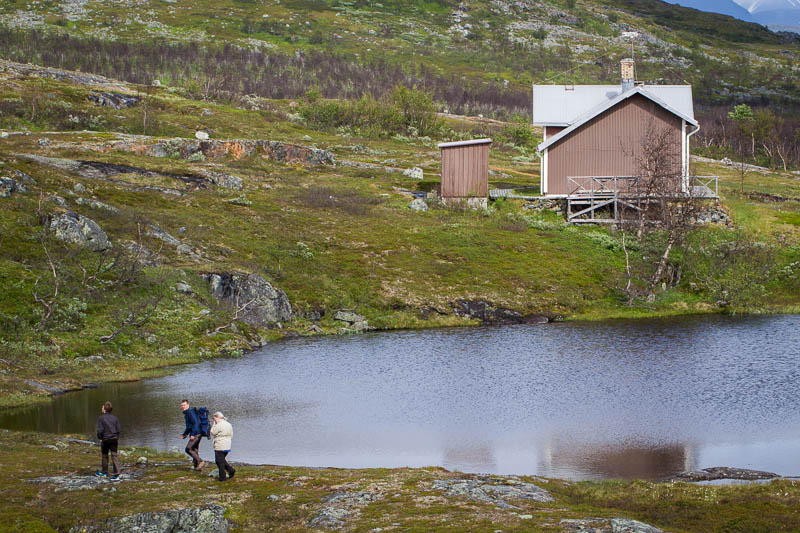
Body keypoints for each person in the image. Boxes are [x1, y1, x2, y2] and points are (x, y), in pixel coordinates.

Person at [95, 401, 121, 480]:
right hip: (114, 439)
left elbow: (100, 430)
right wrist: (116, 437)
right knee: (114, 456)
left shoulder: (101, 418)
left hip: (105, 439)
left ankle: (104, 472)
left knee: (105, 456)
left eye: (102, 407)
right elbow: (118, 429)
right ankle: (117, 474)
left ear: (104, 410)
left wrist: (100, 438)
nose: (101, 408)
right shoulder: (115, 418)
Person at [180, 399, 205, 470]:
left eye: (184, 405)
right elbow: (189, 426)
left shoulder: (190, 412)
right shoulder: (187, 413)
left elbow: (195, 423)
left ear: (188, 405)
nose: (183, 406)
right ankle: (196, 467)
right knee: (194, 449)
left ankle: (200, 461)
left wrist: (193, 434)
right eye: (182, 405)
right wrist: (185, 434)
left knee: (188, 449)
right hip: (197, 433)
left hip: (196, 433)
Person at [210, 411, 235, 482]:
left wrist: (213, 425)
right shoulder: (229, 424)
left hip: (220, 444)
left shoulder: (219, 425)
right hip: (228, 444)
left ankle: (222, 477)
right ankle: (231, 470)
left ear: (217, 417)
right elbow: (231, 434)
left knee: (219, 462)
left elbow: (212, 432)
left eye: (214, 419)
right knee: (222, 460)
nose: (214, 420)